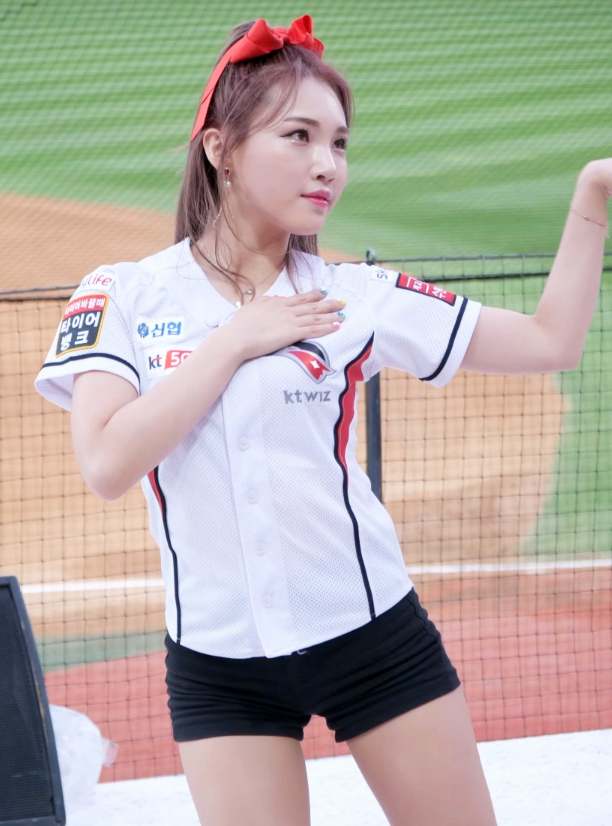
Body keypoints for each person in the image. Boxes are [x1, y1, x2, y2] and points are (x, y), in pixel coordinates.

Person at [34, 14, 610, 826]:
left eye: (339, 143)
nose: (327, 164)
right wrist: (235, 341)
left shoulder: (355, 296)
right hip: (218, 665)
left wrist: (593, 195)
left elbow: (551, 342)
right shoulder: (120, 293)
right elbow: (105, 463)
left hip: (373, 638)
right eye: (298, 135)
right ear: (221, 149)